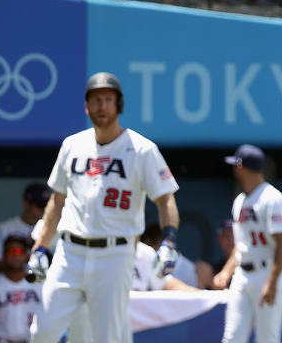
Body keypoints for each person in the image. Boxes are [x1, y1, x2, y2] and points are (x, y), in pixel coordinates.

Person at [27, 72, 181, 343]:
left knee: (106, 338)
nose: (102, 106)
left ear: (119, 105)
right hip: (69, 251)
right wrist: (40, 247)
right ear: (86, 106)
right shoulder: (72, 145)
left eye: (108, 100)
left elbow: (165, 198)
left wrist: (168, 240)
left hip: (114, 254)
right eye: (96, 100)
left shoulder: (142, 149)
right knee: (43, 330)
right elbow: (57, 201)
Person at [213, 144, 282, 343]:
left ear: (241, 167)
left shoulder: (272, 199)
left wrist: (272, 282)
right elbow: (241, 245)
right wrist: (226, 272)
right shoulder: (240, 201)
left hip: (267, 272)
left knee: (267, 339)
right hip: (243, 275)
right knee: (232, 338)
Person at [0, 183, 51, 276]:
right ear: (26, 204)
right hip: (11, 284)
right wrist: (17, 264)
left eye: (46, 206)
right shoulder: (4, 229)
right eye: (40, 206)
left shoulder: (51, 229)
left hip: (41, 282)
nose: (44, 210)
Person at [0, 235, 41, 343]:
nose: (15, 255)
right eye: (11, 251)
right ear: (3, 255)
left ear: (26, 255)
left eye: (20, 251)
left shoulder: (39, 284)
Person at [198, 219, 235, 290]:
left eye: (234, 236)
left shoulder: (251, 265)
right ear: (220, 239)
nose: (231, 240)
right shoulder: (214, 270)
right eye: (227, 236)